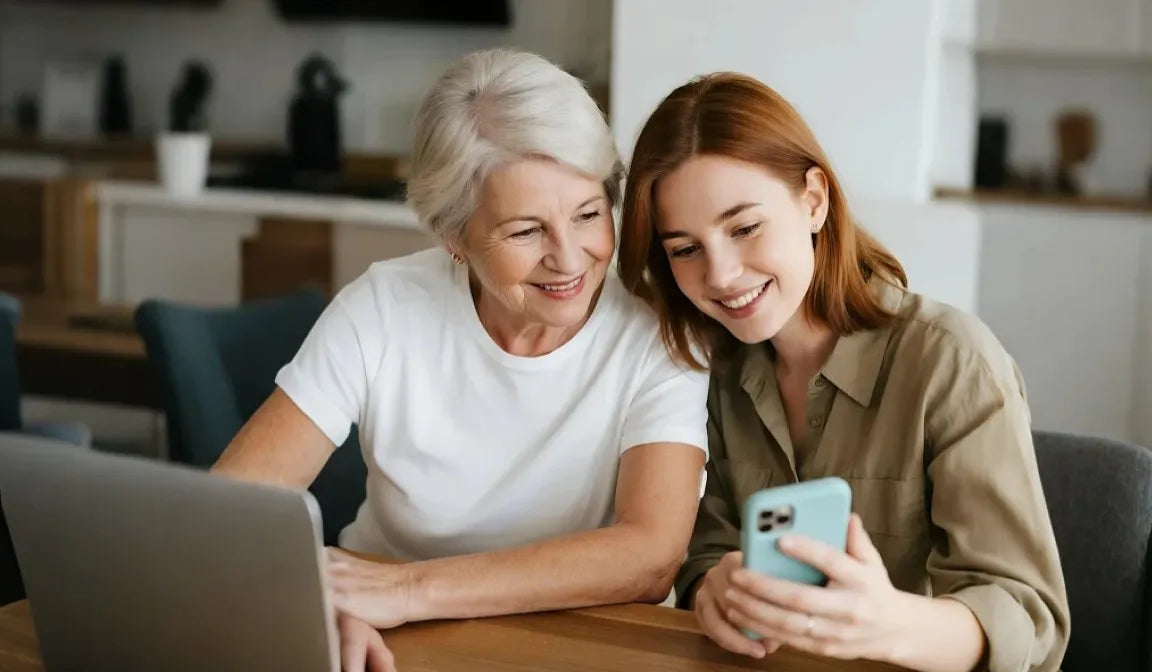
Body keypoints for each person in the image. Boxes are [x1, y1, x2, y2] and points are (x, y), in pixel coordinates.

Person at [213, 49, 709, 672]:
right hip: (388, 642)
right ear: (454, 236)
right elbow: (230, 511)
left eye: (588, 215)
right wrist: (324, 603)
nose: (569, 258)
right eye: (525, 231)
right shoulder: (385, 305)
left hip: (579, 647)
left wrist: (408, 591)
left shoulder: (659, 329)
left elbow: (651, 556)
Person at [617, 73, 1070, 672]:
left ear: (814, 201)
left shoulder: (951, 362)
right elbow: (707, 553)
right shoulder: (709, 370)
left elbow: (1029, 619)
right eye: (685, 249)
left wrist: (889, 623)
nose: (720, 275)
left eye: (745, 228)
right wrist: (712, 591)